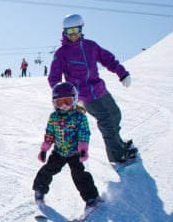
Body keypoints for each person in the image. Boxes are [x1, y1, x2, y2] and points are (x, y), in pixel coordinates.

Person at [48, 14, 136, 164]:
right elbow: (54, 77)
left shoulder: (90, 46)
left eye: (75, 30)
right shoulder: (62, 53)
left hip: (99, 89)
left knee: (115, 114)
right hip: (83, 96)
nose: (73, 34)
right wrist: (61, 94)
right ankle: (116, 155)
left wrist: (122, 73)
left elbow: (108, 59)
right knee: (106, 120)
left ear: (81, 29)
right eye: (69, 31)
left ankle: (118, 143)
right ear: (64, 32)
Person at [33, 82, 100, 210]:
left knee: (79, 175)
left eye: (67, 101)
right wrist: (44, 149)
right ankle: (39, 190)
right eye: (59, 102)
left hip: (74, 153)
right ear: (54, 103)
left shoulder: (79, 117)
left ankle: (92, 197)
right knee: (47, 170)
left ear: (74, 100)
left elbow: (84, 133)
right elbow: (50, 134)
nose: (63, 106)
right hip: (59, 152)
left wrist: (83, 149)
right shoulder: (53, 117)